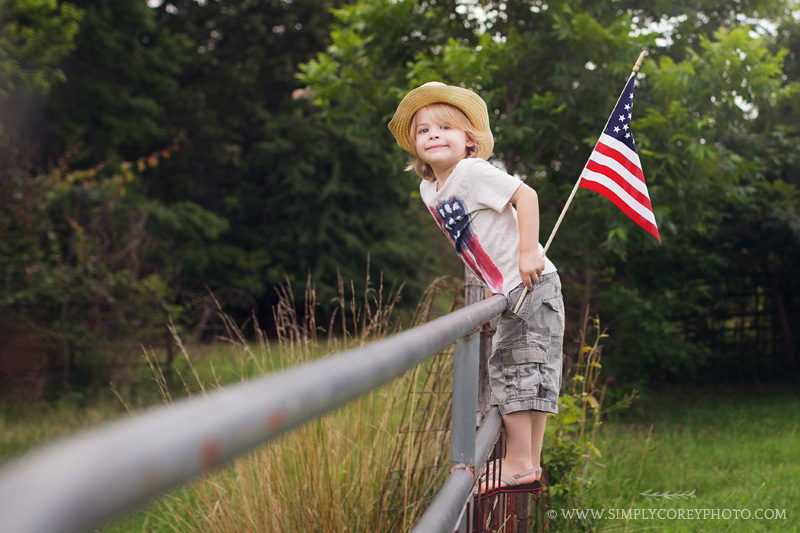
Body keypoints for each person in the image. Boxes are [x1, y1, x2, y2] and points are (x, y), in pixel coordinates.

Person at [388, 82, 565, 497]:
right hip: (511, 288)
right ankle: (530, 464)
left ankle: (519, 462)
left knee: (513, 366)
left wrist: (526, 252)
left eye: (445, 127)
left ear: (469, 140)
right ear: (414, 146)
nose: (433, 135)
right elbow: (473, 243)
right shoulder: (430, 189)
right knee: (532, 369)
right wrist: (493, 286)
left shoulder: (470, 172)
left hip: (530, 281)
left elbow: (527, 195)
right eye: (423, 130)